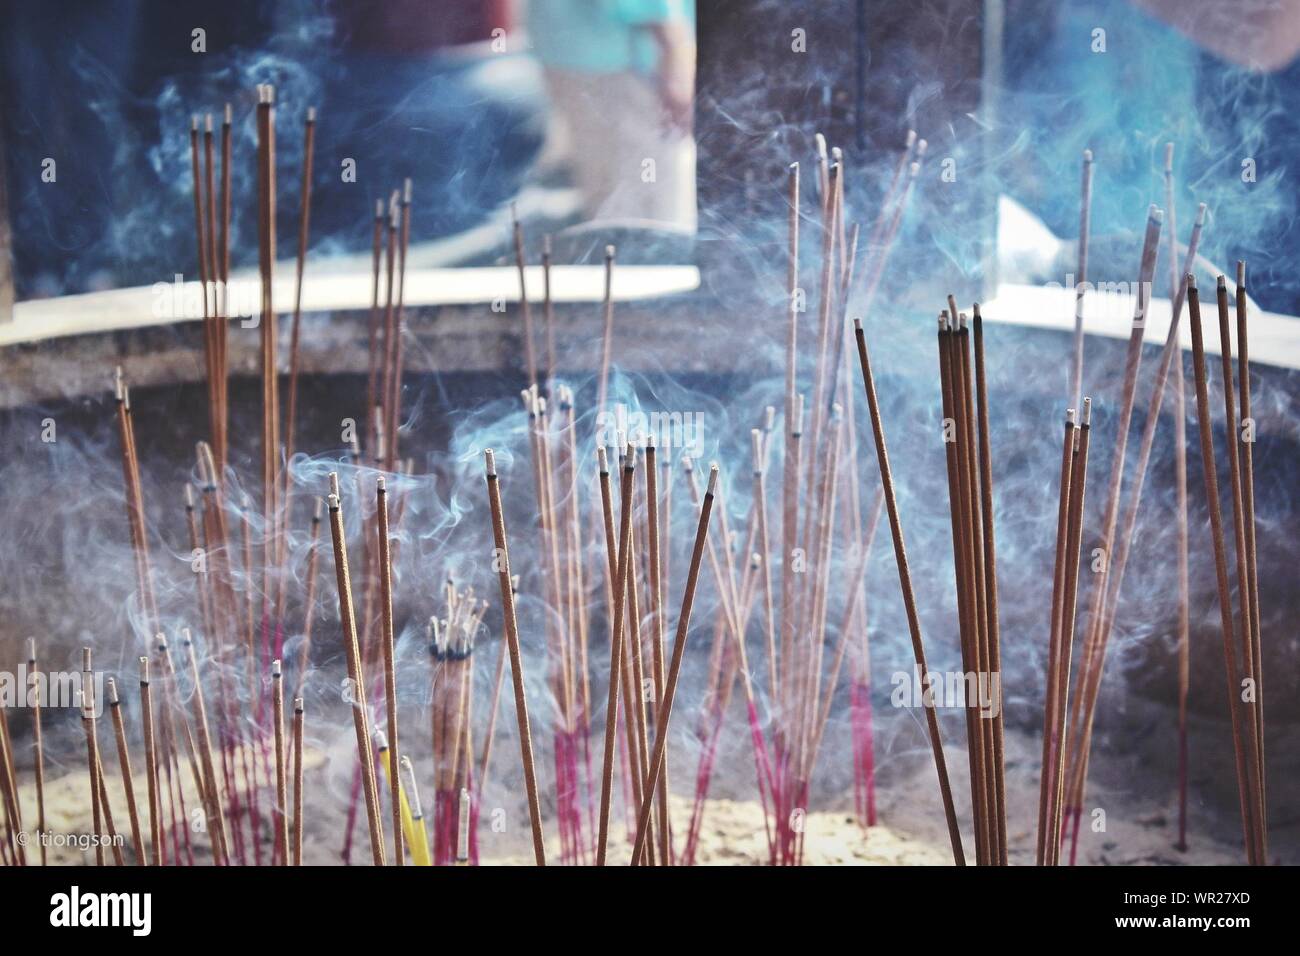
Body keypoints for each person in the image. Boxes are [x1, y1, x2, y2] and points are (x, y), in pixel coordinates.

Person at [527, 0, 697, 232]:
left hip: (580, 46)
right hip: (623, 55)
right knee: (644, 216)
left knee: (612, 199)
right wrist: (673, 48)